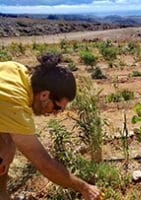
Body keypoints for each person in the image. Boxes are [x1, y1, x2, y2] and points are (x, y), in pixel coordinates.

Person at [0, 53, 100, 199]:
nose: (55, 114)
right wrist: (84, 187)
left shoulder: (16, 70)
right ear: (45, 95)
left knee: (5, 149)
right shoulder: (14, 102)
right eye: (57, 108)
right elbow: (44, 164)